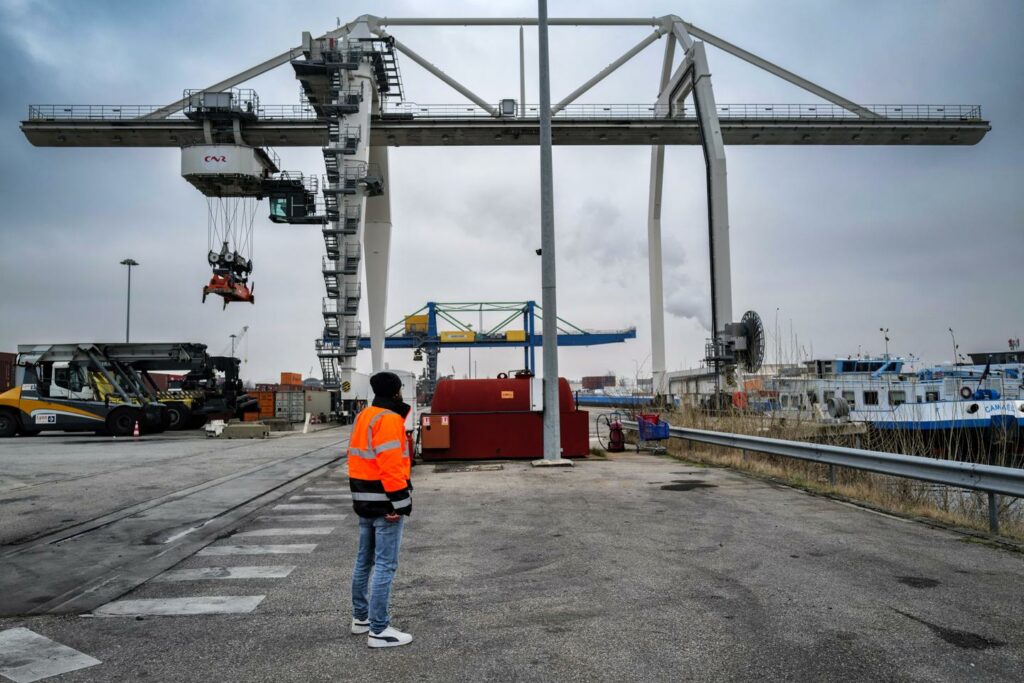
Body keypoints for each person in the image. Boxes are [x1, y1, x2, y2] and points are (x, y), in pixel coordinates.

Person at [347, 371, 414, 648]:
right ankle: (379, 630)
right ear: (397, 392)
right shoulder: (388, 419)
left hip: (363, 499)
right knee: (386, 565)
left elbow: (358, 458)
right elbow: (390, 465)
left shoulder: (365, 415)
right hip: (385, 502)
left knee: (365, 561)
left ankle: (361, 618)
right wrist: (400, 503)